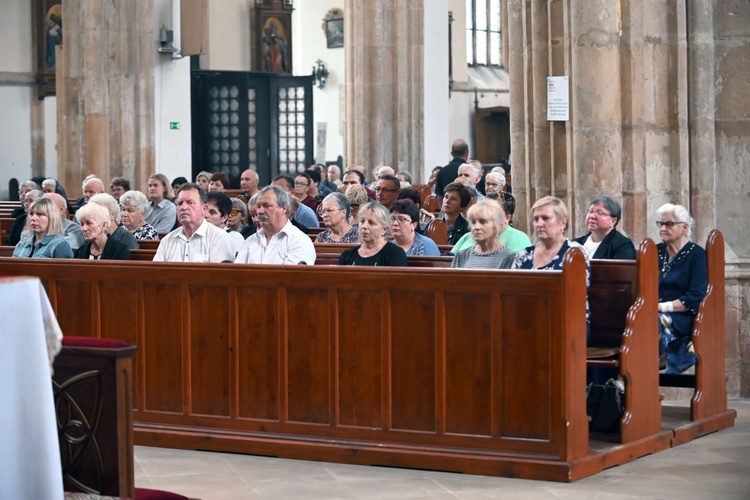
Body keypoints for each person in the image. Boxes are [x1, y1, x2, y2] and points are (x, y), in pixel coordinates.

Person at [512, 196, 590, 339]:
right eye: (536, 219)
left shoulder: (575, 253)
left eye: (546, 218)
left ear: (562, 223)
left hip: (569, 320)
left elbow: (576, 295)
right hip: (529, 319)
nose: (539, 224)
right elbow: (512, 291)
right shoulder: (524, 254)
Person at [655, 203, 707, 374]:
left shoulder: (697, 255)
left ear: (684, 227)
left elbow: (695, 296)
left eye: (668, 224)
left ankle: (647, 365)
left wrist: (662, 307)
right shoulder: (656, 251)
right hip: (653, 311)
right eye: (660, 224)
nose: (663, 228)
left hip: (683, 316)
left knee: (651, 321)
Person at [153, 183, 235, 263]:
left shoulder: (219, 238)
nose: (183, 208)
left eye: (190, 202)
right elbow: (155, 273)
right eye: (180, 203)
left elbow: (220, 275)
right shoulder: (167, 240)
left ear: (204, 209)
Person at [235, 185, 316, 265]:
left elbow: (292, 277)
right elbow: (236, 273)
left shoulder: (299, 241)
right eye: (259, 206)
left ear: (284, 208)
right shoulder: (250, 241)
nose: (260, 211)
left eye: (266, 206)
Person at [451, 192, 531, 253]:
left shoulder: (517, 237)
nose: (477, 227)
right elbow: (449, 260)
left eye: (495, 214)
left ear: (507, 218)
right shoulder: (468, 236)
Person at [338, 202, 408, 267]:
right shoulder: (347, 255)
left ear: (384, 229)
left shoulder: (395, 254)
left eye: (371, 223)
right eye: (362, 221)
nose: (364, 226)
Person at [451, 200, 515, 269]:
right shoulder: (462, 255)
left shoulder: (509, 257)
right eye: (473, 222)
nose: (476, 227)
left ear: (498, 225)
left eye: (483, 222)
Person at [206, 192, 245, 256]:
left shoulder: (234, 237)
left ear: (224, 217)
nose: (206, 215)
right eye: (205, 210)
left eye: (212, 212)